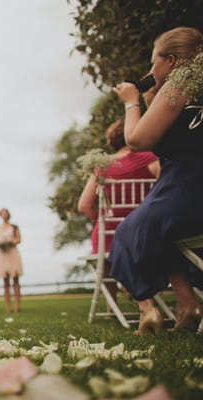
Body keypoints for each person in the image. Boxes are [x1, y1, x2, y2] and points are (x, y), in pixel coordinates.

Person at [110, 27, 203, 334]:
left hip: (186, 192)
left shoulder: (177, 88)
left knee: (127, 234)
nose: (152, 71)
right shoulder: (190, 89)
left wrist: (131, 101)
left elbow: (137, 139)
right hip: (187, 197)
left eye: (155, 63)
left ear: (172, 61)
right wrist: (152, 96)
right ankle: (189, 306)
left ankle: (148, 310)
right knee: (161, 234)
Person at [78, 120, 159, 302]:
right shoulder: (151, 159)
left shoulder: (102, 166)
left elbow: (83, 205)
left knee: (102, 247)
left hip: (107, 236)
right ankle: (149, 299)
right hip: (143, 231)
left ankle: (111, 305)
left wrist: (104, 220)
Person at [0, 208, 23, 313]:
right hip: (3, 254)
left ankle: (17, 305)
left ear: (8, 215)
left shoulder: (14, 227)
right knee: (5, 280)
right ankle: (8, 307)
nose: (4, 215)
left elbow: (19, 239)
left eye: (5, 213)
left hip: (12, 253)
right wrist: (1, 245)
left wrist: (11, 242)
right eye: (2, 213)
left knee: (15, 279)